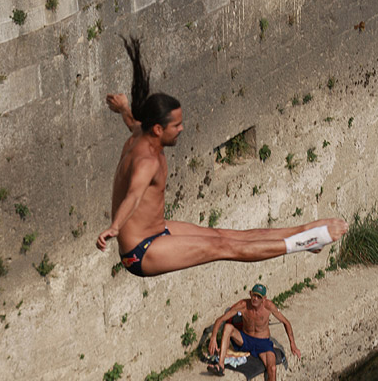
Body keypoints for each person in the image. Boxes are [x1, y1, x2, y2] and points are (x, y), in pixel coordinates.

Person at [96, 37, 348, 276]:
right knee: (224, 248)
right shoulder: (147, 163)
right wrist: (115, 227)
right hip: (141, 252)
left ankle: (304, 232)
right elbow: (133, 195)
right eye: (177, 126)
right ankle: (306, 241)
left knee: (222, 235)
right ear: (159, 129)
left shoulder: (141, 133)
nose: (181, 129)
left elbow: (133, 123)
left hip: (157, 229)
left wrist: (123, 109)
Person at [207, 283, 301, 381]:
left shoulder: (269, 306)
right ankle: (220, 366)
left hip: (263, 344)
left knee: (272, 368)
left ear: (264, 299)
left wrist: (293, 344)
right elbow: (221, 319)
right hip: (245, 339)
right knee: (228, 327)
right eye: (254, 295)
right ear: (250, 293)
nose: (255, 299)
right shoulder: (243, 305)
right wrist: (214, 337)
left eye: (259, 297)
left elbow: (286, 322)